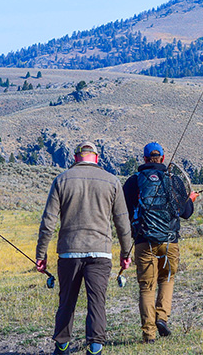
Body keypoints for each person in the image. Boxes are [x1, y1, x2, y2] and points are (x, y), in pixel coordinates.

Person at [36, 141, 132, 355]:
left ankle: (62, 346)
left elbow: (48, 222)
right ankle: (95, 348)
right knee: (97, 302)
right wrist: (126, 254)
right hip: (100, 253)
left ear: (76, 157)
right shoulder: (112, 181)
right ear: (97, 158)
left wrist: (41, 255)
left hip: (69, 253)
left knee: (66, 301)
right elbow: (123, 224)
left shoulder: (61, 180)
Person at [123, 142, 198, 344]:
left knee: (146, 287)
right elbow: (186, 213)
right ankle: (162, 317)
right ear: (163, 159)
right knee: (167, 279)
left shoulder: (133, 182)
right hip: (170, 241)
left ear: (145, 159)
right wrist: (189, 199)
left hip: (143, 242)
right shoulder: (173, 181)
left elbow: (125, 213)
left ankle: (149, 334)